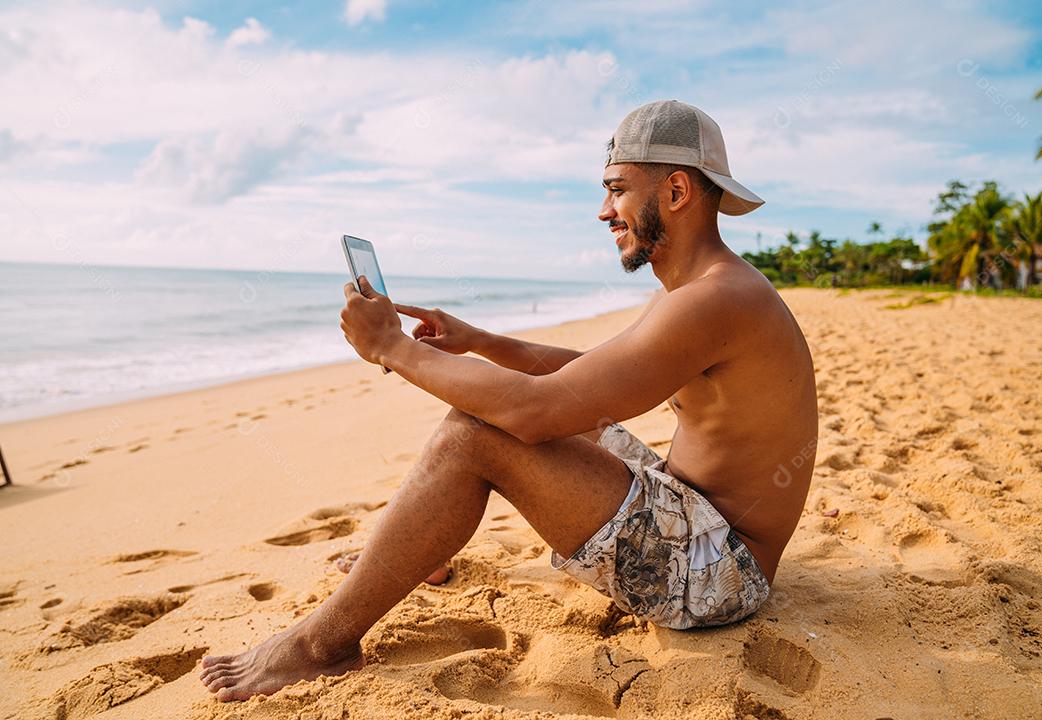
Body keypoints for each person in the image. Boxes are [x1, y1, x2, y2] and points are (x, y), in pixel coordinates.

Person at [200, 100, 818, 702]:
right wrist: (481, 341)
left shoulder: (712, 300)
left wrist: (393, 347)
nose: (605, 211)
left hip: (721, 569)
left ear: (677, 192)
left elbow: (536, 412)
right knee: (504, 418)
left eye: (617, 189)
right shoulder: (704, 289)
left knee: (475, 433)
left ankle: (317, 648)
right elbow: (588, 382)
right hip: (695, 515)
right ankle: (419, 550)